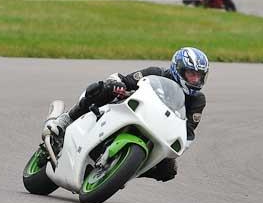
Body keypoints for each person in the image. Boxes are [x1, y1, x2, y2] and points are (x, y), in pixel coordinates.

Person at [44, 47, 209, 183]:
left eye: (199, 76)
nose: (195, 80)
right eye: (191, 74)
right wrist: (118, 85)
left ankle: (122, 170)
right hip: (128, 108)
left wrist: (176, 146)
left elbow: (187, 132)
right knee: (103, 88)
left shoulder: (197, 101)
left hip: (158, 128)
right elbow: (124, 79)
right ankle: (67, 119)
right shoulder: (156, 72)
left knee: (168, 170)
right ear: (178, 69)